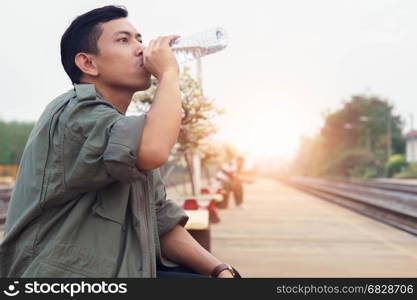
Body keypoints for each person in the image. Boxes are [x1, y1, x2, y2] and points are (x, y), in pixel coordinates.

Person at [0, 5, 239, 278]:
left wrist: (221, 270)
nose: (140, 48)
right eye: (124, 40)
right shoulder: (75, 113)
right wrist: (169, 74)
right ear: (88, 63)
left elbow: (159, 220)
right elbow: (154, 150)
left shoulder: (122, 131)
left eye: (139, 38)